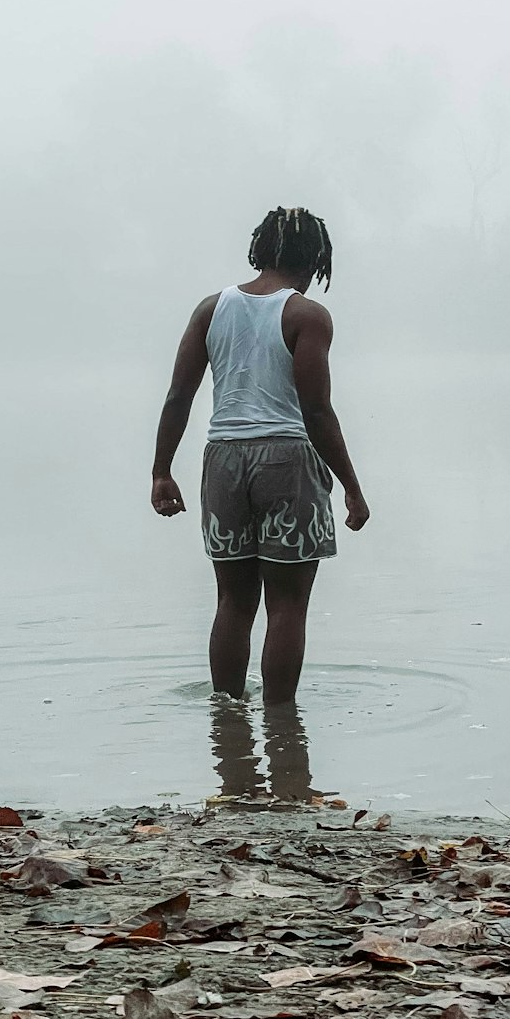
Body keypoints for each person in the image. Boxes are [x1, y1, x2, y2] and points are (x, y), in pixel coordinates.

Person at [151, 206, 370, 705]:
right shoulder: (306, 316)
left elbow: (177, 397)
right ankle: (281, 724)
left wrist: (162, 471)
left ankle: (227, 716)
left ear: (259, 250)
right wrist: (353, 488)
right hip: (286, 461)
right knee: (287, 605)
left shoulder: (212, 309)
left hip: (223, 460)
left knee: (233, 600)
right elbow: (315, 411)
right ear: (316, 260)